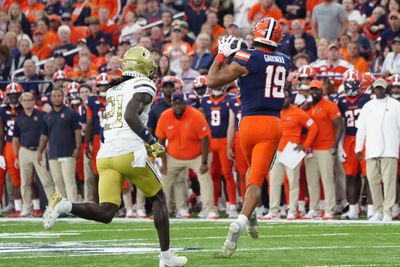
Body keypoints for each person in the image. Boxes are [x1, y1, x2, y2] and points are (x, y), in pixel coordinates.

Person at [42, 46, 187, 267]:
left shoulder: (113, 88)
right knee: (158, 199)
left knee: (107, 211)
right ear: (143, 66)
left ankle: (64, 206)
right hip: (127, 152)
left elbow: (112, 124)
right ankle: (166, 257)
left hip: (106, 153)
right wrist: (150, 140)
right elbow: (130, 115)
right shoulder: (143, 84)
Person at [207, 17, 291, 256]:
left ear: (256, 34)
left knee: (249, 173)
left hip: (248, 123)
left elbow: (212, 81)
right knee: (255, 180)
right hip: (272, 123)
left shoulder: (247, 57)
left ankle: (250, 217)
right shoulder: (285, 60)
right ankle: (242, 221)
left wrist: (223, 55)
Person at [156, 91, 218, 220]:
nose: (178, 106)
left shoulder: (196, 115)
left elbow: (205, 139)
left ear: (186, 104)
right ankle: (162, 210)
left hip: (197, 155)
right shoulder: (165, 116)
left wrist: (205, 162)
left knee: (204, 178)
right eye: (175, 103)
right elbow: (161, 140)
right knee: (164, 181)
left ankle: (210, 210)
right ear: (171, 104)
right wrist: (163, 163)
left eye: (180, 103)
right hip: (174, 155)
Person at [264, 89, 318, 220]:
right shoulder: (273, 112)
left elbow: (313, 127)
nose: (284, 99)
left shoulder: (298, 112)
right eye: (281, 97)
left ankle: (292, 210)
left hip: (291, 150)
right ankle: (274, 210)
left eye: (286, 97)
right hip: (276, 150)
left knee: (293, 182)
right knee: (274, 182)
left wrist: (304, 145)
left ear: (290, 98)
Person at [355, 78, 400, 222]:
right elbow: (361, 129)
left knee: (389, 182)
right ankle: (378, 210)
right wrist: (358, 147)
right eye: (377, 88)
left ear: (386, 89)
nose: (379, 90)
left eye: (381, 88)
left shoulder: (396, 105)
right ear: (373, 89)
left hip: (390, 149)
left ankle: (388, 212)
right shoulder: (367, 106)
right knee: (373, 181)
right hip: (371, 150)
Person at [302, 80, 343, 220]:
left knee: (327, 179)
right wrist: (305, 105)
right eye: (312, 90)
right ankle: (314, 208)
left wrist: (335, 145)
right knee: (312, 180)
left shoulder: (330, 106)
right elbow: (298, 116)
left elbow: (339, 126)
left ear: (322, 91)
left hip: (325, 146)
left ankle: (329, 209)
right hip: (310, 148)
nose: (314, 92)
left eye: (316, 90)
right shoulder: (307, 106)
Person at [12, 92, 55, 217]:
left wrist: (46, 148)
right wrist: (16, 156)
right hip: (24, 151)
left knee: (46, 180)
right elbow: (15, 139)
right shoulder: (19, 118)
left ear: (34, 101)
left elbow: (49, 133)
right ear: (21, 102)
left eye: (29, 100)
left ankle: (53, 206)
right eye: (24, 100)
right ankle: (27, 207)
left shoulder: (42, 115)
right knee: (25, 182)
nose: (27, 102)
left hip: (39, 150)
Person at [37, 88, 82, 202]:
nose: (57, 98)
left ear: (63, 97)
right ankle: (62, 207)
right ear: (51, 98)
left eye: (59, 96)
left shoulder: (71, 113)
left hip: (68, 152)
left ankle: (73, 207)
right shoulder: (47, 117)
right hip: (53, 153)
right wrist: (40, 152)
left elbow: (77, 131)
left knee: (69, 180)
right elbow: (44, 137)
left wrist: (77, 147)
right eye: (54, 96)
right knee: (57, 181)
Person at [337, 69, 371, 220]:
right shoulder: (341, 101)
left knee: (369, 176)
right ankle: (352, 209)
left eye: (354, 84)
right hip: (350, 139)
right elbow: (339, 125)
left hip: (366, 139)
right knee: (351, 176)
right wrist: (339, 146)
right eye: (348, 84)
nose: (351, 87)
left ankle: (371, 208)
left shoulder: (368, 98)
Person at [202, 86, 237, 218]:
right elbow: (203, 120)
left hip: (223, 141)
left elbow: (232, 123)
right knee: (213, 174)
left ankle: (232, 205)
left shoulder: (230, 99)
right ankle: (214, 205)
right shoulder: (205, 101)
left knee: (227, 174)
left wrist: (229, 144)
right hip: (211, 141)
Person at [0, 82, 24, 216]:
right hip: (9, 144)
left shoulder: (25, 107)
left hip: (24, 143)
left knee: (28, 177)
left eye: (16, 95)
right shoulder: (3, 110)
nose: (14, 98)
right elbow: (1, 133)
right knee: (14, 178)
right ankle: (17, 206)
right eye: (11, 95)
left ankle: (30, 205)